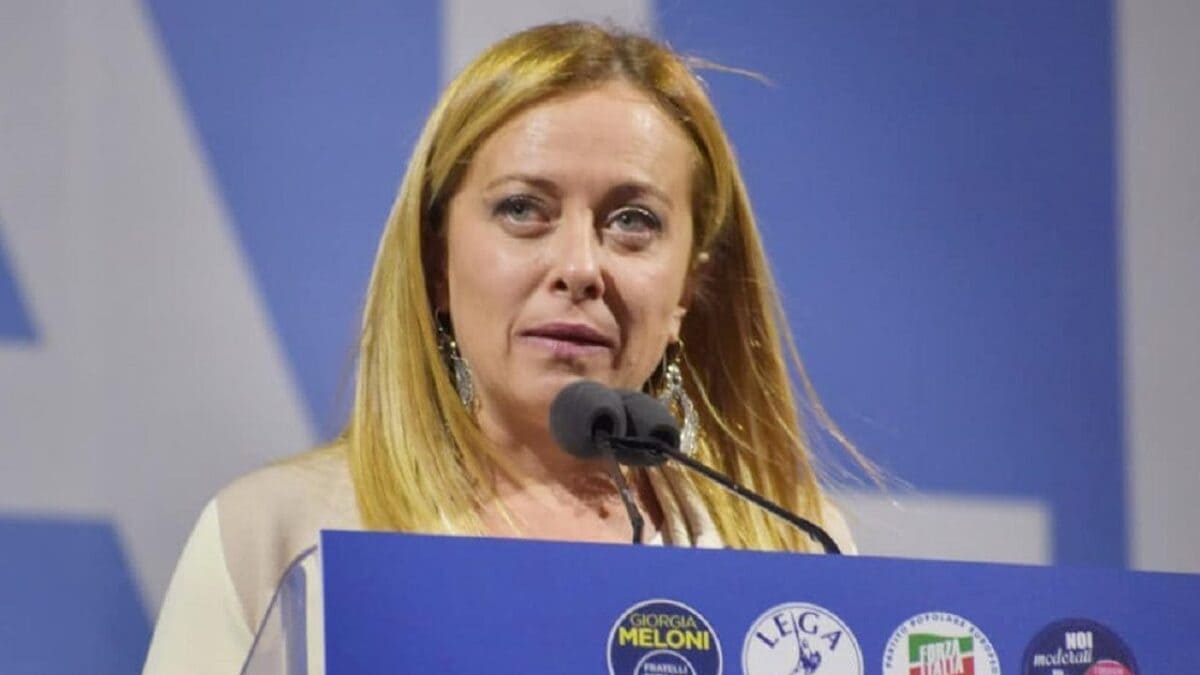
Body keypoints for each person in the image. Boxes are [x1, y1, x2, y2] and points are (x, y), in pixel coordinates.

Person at [143, 20, 867, 673]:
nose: (579, 266)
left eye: (633, 220)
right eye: (523, 209)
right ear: (437, 262)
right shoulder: (280, 539)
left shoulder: (792, 554)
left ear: (688, 287)